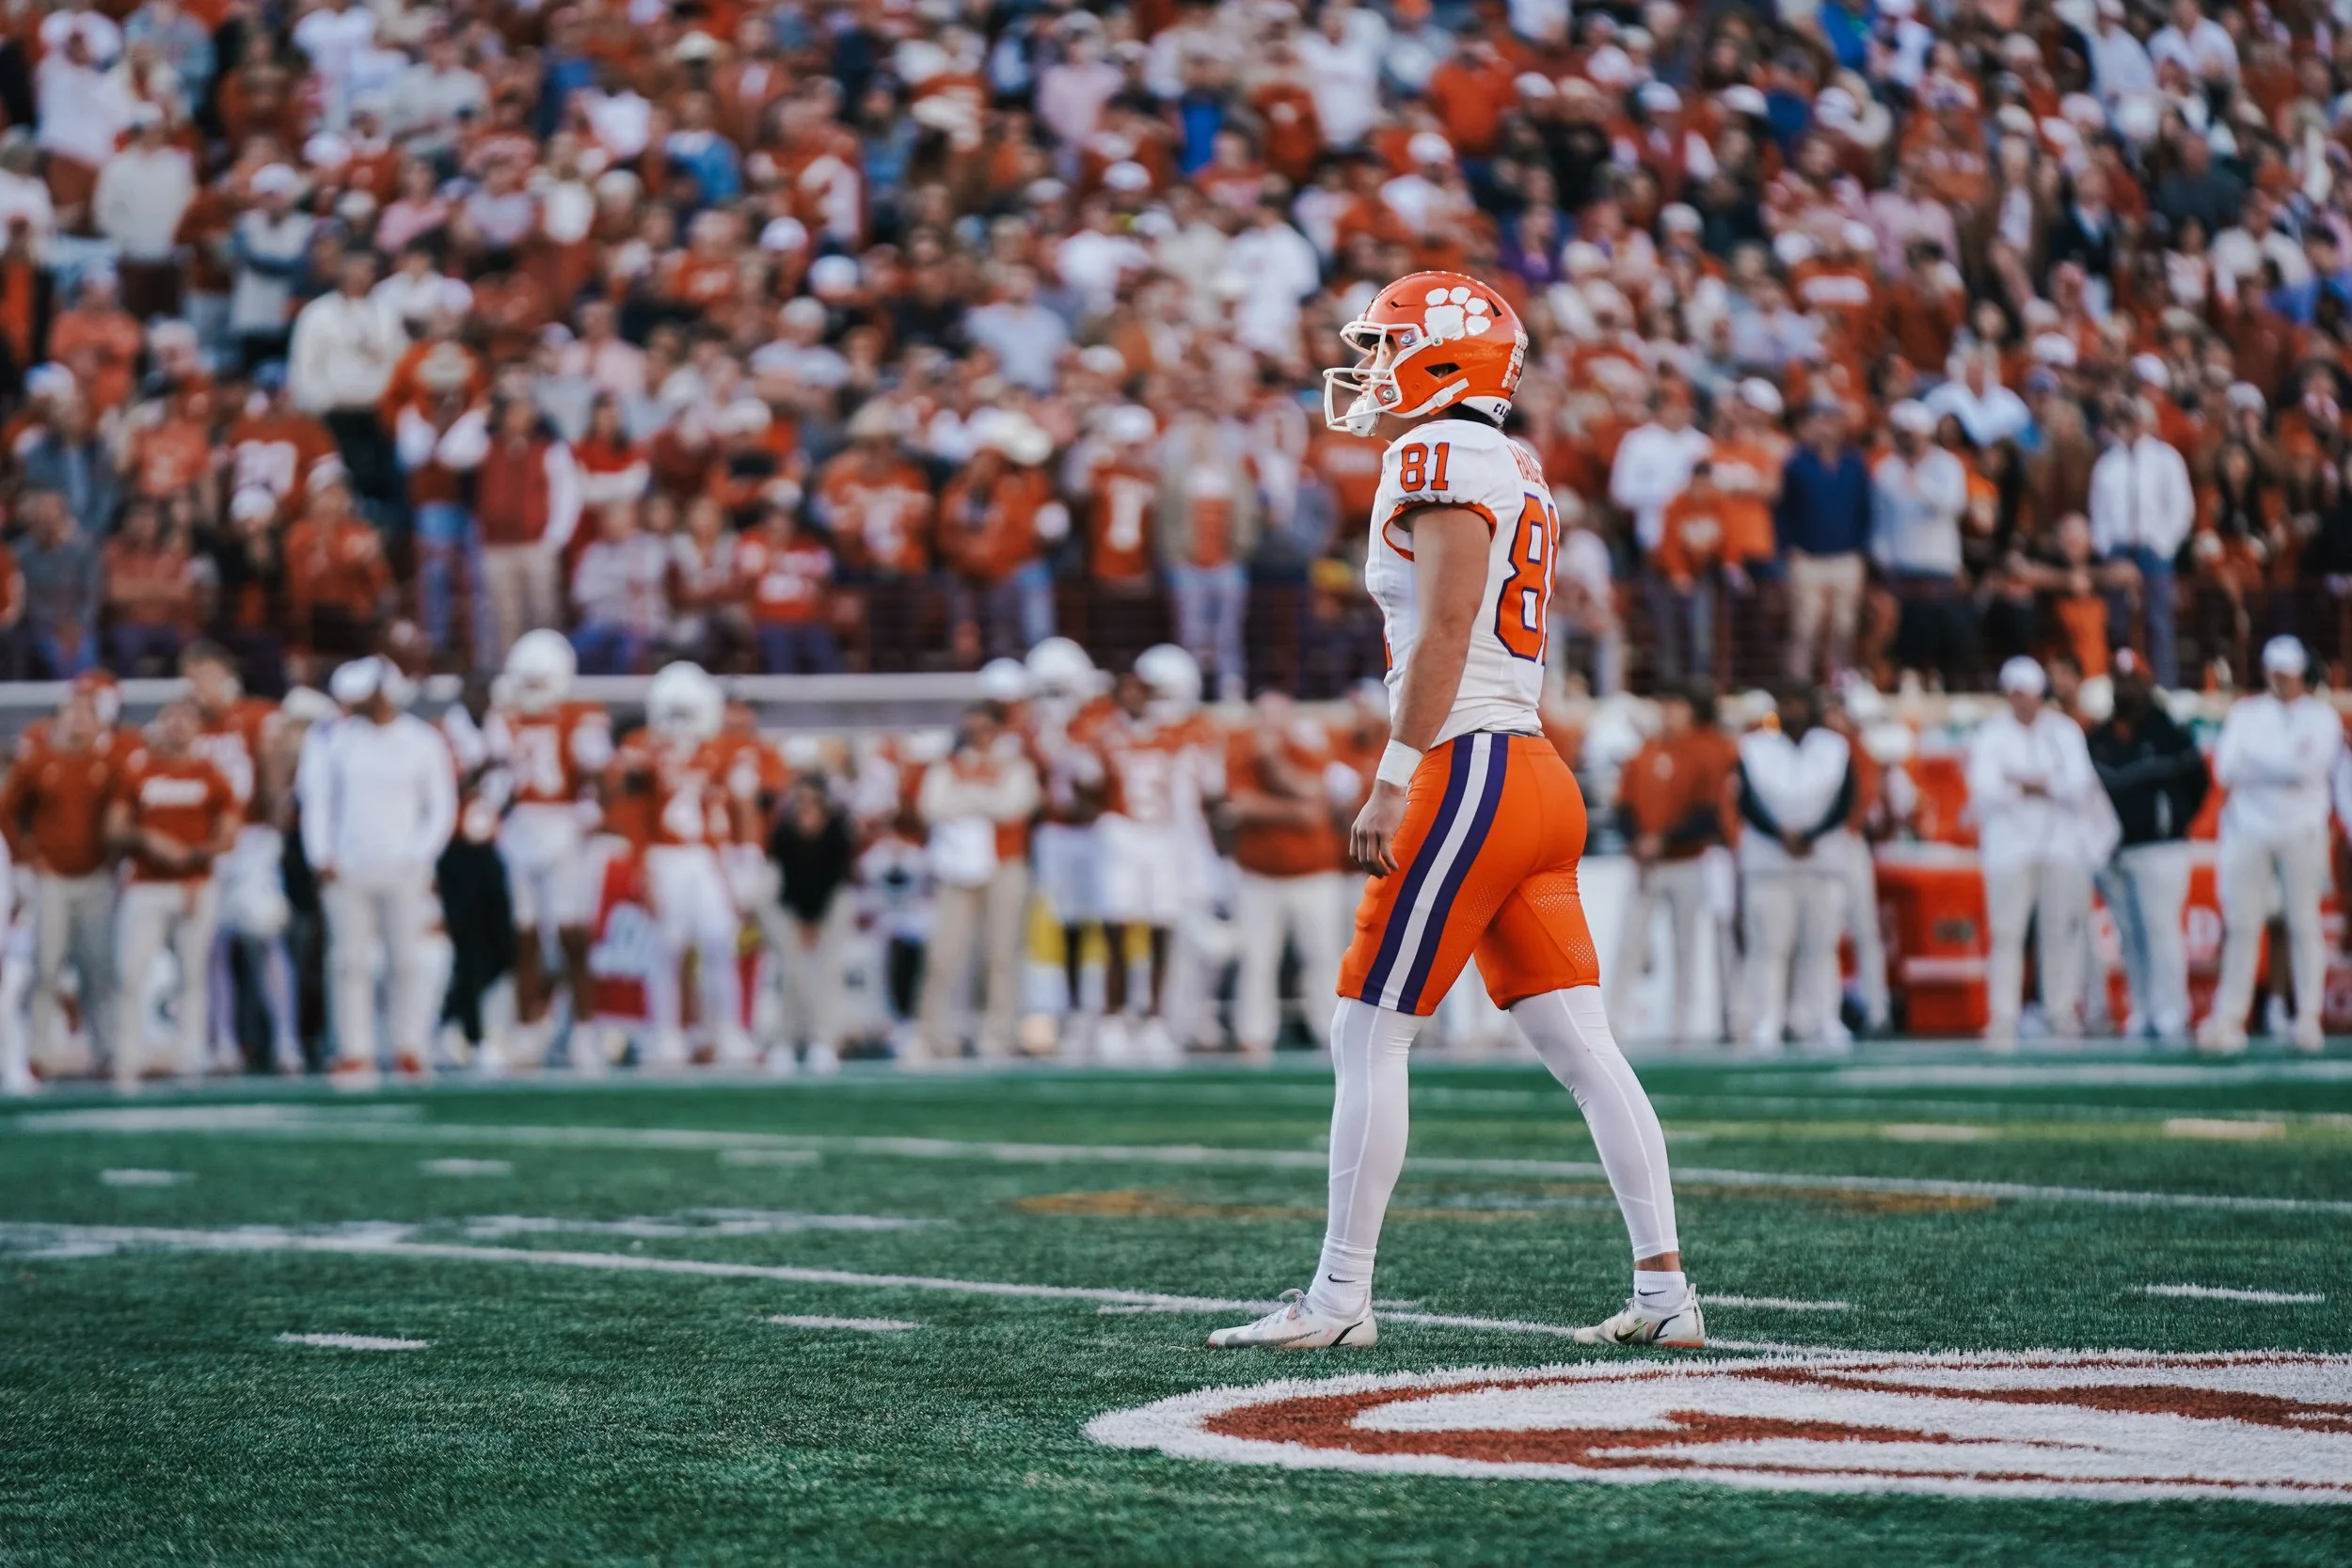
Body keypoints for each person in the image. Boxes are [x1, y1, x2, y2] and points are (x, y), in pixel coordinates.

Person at [1211, 272, 1696, 1352]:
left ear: (1441, 358)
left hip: (1466, 767)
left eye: (1386, 346)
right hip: (1527, 767)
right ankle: (1666, 1293)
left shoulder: (1433, 455)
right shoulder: (1511, 460)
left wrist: (1392, 774)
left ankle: (1338, 1298)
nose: (1369, 368)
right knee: (1582, 1047)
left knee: (1369, 1030)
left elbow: (1443, 630)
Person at [296, 657, 457, 1085]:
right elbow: (319, 799)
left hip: (404, 867)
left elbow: (441, 806)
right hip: (349, 867)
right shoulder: (337, 740)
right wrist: (322, 855)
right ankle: (355, 1050)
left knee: (407, 960)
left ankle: (410, 1047)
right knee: (349, 963)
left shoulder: (421, 740)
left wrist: (420, 855)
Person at [2201, 637, 2342, 1053]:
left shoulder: (2321, 718)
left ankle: (2307, 1017)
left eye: (2288, 674)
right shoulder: (2247, 713)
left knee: (2303, 923)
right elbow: (2227, 768)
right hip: (2249, 828)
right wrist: (2281, 765)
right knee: (2242, 924)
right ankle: (2231, 1018)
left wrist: (2259, 764)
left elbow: (2309, 768)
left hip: (2302, 829)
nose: (2280, 681)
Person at [608, 661, 750, 1069]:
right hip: (665, 856)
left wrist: (743, 860)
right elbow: (632, 811)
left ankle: (727, 1031)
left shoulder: (722, 749)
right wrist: (642, 866)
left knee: (719, 941)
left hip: (705, 855)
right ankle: (665, 1033)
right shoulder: (643, 747)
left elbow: (739, 807)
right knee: (666, 948)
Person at [1967, 657, 2113, 1047]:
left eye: (2030, 694)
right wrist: (2045, 785)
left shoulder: (2063, 732)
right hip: (2008, 848)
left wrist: (2022, 782)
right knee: (2006, 933)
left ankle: (2061, 1012)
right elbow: (1986, 791)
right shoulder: (1991, 734)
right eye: (2017, 694)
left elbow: (2077, 784)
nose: (2024, 702)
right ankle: (2003, 1016)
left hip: (2061, 845)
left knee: (2060, 932)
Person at [482, 631, 611, 1069]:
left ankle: (585, 1031)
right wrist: (489, 807)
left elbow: (597, 774)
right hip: (521, 827)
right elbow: (498, 776)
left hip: (563, 825)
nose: (532, 692)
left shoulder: (580, 715)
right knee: (526, 934)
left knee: (573, 934)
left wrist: (590, 810)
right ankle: (528, 1029)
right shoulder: (504, 715)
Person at [1094, 645, 1219, 1066]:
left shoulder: (1180, 734)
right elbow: (1083, 788)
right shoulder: (1103, 733)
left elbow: (1206, 789)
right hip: (1121, 833)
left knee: (1161, 928)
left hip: (1163, 838)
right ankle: (1112, 1020)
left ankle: (1155, 1020)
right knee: (1117, 928)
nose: (1137, 697)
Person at [106, 699, 238, 1086]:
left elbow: (229, 833)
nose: (179, 727)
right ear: (160, 726)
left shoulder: (211, 774)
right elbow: (114, 828)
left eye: (187, 719)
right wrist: (147, 838)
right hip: (146, 883)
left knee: (193, 974)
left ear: (198, 728)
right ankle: (127, 1056)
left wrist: (192, 856)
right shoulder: (141, 771)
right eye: (172, 719)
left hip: (194, 884)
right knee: (130, 972)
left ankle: (189, 1055)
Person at [2087, 650, 2208, 1040]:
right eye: (2120, 681)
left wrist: (2170, 820)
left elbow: (2199, 784)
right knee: (2129, 936)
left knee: (2161, 931)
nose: (2127, 688)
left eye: (2133, 680)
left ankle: (2171, 1011)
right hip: (2114, 851)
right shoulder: (2100, 737)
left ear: (2147, 681)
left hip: (2160, 849)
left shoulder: (2168, 731)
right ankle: (2142, 1009)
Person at [1609, 681, 1739, 1044]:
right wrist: (1637, 839)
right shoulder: (1645, 751)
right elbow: (1623, 806)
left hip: (1687, 860)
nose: (1668, 713)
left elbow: (1710, 813)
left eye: (1675, 704)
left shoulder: (1705, 750)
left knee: (1687, 947)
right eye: (1664, 705)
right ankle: (1612, 1022)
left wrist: (1663, 839)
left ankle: (1683, 1024)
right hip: (1647, 863)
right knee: (1629, 945)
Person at [0, 692, 119, 1073]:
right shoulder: (38, 763)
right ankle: (39, 1054)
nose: (79, 721)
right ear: (59, 720)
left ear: (98, 723)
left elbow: (127, 816)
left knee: (99, 968)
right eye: (72, 713)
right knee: (46, 967)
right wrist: (28, 856)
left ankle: (105, 1050)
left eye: (87, 714)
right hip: (51, 879)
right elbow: (7, 812)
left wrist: (115, 861)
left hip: (97, 878)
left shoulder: (109, 765)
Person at [915, 702, 1041, 1063]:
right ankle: (932, 1032)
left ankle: (997, 1032)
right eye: (972, 729)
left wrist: (969, 797)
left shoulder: (1015, 766)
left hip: (1005, 864)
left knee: (1001, 953)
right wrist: (984, 798)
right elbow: (931, 807)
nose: (978, 737)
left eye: (986, 729)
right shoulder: (948, 766)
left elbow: (1015, 806)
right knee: (944, 953)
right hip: (957, 869)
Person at [1734, 686, 1856, 1053]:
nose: (1794, 710)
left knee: (1822, 948)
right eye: (1787, 702)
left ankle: (1824, 1020)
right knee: (1768, 949)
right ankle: (1766, 1021)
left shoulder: (1835, 747)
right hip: (1770, 864)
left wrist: (1811, 835)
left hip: (1821, 862)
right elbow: (1747, 801)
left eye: (1799, 702)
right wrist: (1780, 835)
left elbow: (1845, 799)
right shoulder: (1755, 747)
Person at [2087, 398, 2194, 689]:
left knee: (2158, 621)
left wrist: (2164, 544)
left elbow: (2181, 507)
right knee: (2118, 621)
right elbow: (2098, 510)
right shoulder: (2108, 463)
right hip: (2119, 549)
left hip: (2154, 549)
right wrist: (2107, 548)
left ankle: (2164, 686)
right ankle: (2121, 684)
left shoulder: (2166, 458)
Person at [767, 770, 855, 1074]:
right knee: (793, 974)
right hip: (791, 907)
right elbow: (786, 876)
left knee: (827, 973)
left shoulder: (838, 832)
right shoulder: (783, 832)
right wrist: (803, 919)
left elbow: (834, 876)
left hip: (829, 907)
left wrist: (815, 919)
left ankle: (824, 1040)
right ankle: (786, 1040)